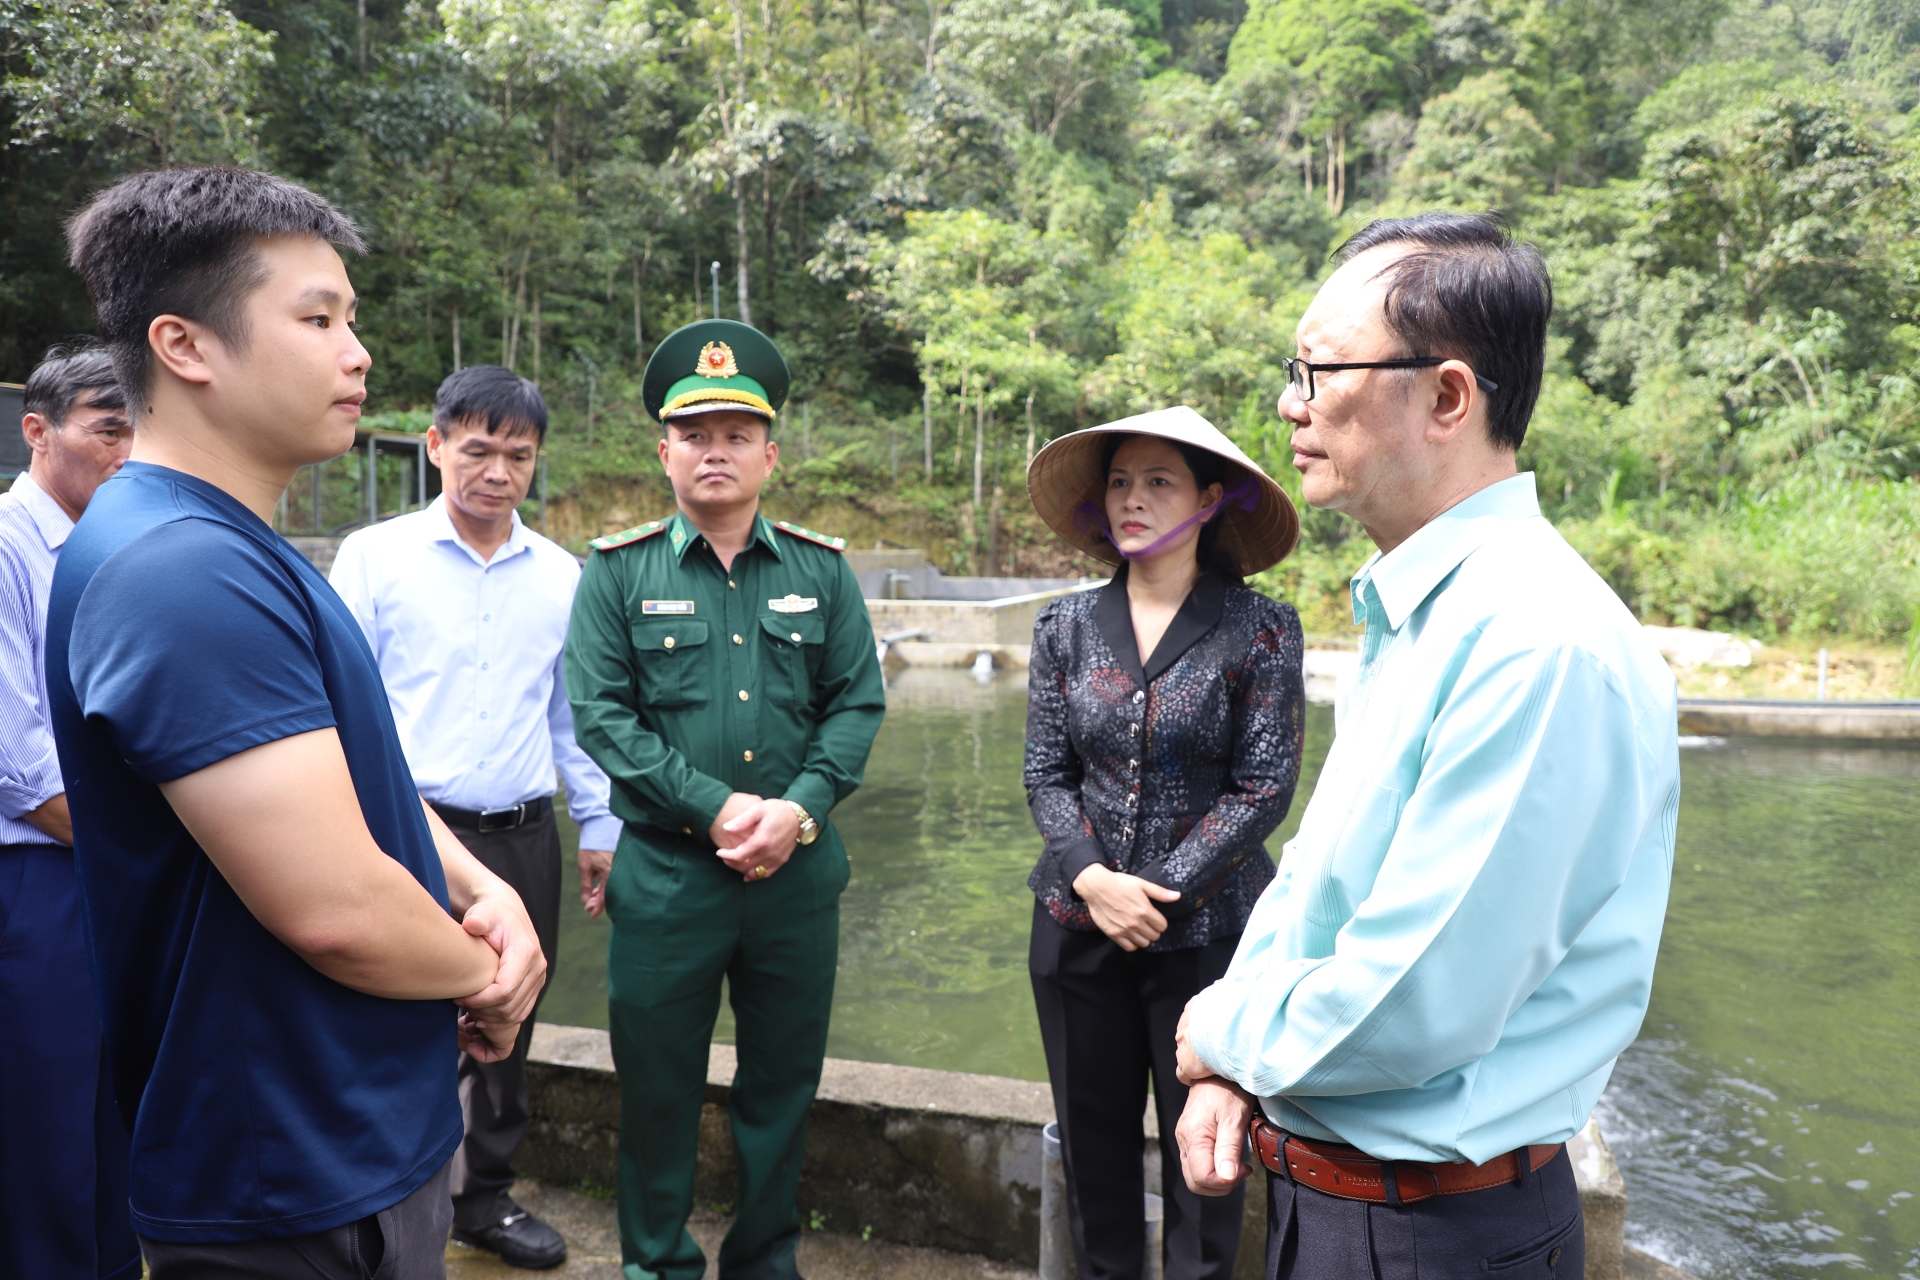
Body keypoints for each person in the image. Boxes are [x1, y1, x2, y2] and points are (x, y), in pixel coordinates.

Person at [48, 165, 546, 1280]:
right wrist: (485, 971)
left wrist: (478, 884)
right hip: (283, 1171)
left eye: (351, 319)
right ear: (185, 345)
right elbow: (334, 909)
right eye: (316, 318)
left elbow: (349, 785)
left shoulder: (237, 545)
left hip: (351, 1129)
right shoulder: (178, 570)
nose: (356, 351)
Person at [1171, 213, 1680, 1279]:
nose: (1289, 401)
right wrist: (1233, 1058)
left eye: (1320, 367)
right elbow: (1322, 880)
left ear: (1448, 396)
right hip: (1348, 1203)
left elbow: (1410, 1000)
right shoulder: (1425, 613)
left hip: (1440, 1235)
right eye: (1292, 367)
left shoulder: (1537, 644)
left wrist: (1224, 1036)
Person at [564, 318, 886, 1280]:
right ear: (664, 452)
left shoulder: (822, 572)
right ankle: (656, 1264)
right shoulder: (618, 572)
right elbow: (603, 717)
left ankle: (764, 1262)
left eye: (737, 434)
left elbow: (856, 704)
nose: (716, 450)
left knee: (781, 1088)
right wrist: (716, 807)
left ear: (769, 454)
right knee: (657, 1092)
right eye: (696, 433)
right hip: (665, 878)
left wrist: (799, 809)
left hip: (796, 878)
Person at [331, 364, 622, 1270]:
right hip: (408, 829)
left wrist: (599, 826)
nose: (497, 471)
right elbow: (344, 708)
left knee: (509, 1012)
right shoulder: (374, 558)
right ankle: (371, 1194)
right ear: (437, 445)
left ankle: (483, 1201)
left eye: (518, 455)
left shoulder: (563, 575)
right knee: (391, 1008)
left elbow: (570, 717)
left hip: (525, 830)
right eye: (478, 449)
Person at [1022, 406, 1307, 1280]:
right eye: (1119, 480)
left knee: (1208, 1168)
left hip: (1209, 939)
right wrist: (1096, 882)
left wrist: (1158, 890)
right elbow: (1046, 773)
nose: (1133, 499)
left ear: (1210, 500)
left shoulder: (1259, 628)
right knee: (1094, 1158)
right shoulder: (1064, 626)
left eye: (1158, 481)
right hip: (1076, 930)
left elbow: (1263, 787)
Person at [0, 343, 138, 1280]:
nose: (128, 450)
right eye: (108, 427)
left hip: (117, 865)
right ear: (38, 431)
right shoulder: (9, 547)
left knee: (118, 1110)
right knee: (45, 1115)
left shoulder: (119, 544)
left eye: (139, 428)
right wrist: (144, 854)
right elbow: (17, 761)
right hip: (41, 873)